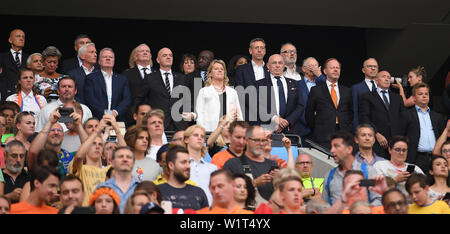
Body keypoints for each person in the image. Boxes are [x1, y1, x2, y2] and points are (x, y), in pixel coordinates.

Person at [322, 131, 380, 206]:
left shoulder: (368, 172)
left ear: (349, 149)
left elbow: (379, 199)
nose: (332, 151)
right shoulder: (329, 176)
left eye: (336, 146)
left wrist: (364, 210)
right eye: (331, 147)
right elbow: (324, 206)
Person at [223, 125, 279, 202]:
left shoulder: (273, 164)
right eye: (257, 140)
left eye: (264, 140)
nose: (261, 144)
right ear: (246, 140)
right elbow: (225, 191)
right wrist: (254, 183)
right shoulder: (233, 164)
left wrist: (279, 180)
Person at [305, 58, 353, 149]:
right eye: (332, 68)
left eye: (337, 68)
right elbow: (309, 113)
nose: (335, 70)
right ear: (325, 71)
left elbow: (351, 112)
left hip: (344, 135)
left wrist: (348, 129)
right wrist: (317, 128)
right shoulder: (316, 90)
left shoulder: (347, 90)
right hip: (323, 136)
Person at [134, 47, 185, 131]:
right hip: (158, 123)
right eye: (164, 55)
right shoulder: (149, 78)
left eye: (170, 55)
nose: (168, 57)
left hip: (179, 125)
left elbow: (187, 100)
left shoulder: (182, 78)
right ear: (158, 60)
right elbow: (139, 99)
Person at [359, 70, 406, 159]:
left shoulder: (397, 98)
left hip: (395, 143)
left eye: (389, 77)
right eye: (384, 77)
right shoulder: (368, 96)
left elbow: (403, 118)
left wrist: (399, 138)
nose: (387, 79)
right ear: (376, 80)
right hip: (376, 141)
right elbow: (365, 117)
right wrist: (376, 133)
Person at [68, 117, 114, 206]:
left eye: (100, 145)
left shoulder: (108, 170)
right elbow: (79, 156)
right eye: (93, 144)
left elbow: (129, 158)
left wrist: (117, 130)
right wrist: (97, 130)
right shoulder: (81, 169)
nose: (97, 147)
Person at [256, 54, 304, 135]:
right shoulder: (259, 84)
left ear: (284, 65)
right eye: (274, 63)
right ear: (268, 66)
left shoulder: (295, 84)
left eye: (280, 63)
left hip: (290, 130)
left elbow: (300, 106)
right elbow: (257, 106)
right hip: (267, 129)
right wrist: (275, 119)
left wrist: (287, 121)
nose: (277, 65)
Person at [404, 82, 445, 172]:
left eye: (426, 94)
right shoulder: (407, 114)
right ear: (414, 98)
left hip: (436, 158)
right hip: (416, 157)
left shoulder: (437, 117)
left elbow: (443, 137)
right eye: (420, 94)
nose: (424, 96)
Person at [84, 48, 132, 122]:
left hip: (118, 119)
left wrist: (115, 112)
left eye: (111, 57)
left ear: (114, 61)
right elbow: (90, 99)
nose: (108, 59)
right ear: (99, 61)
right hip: (98, 120)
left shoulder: (122, 79)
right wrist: (107, 114)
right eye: (105, 57)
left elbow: (127, 99)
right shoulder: (91, 78)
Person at [196, 59, 242, 132]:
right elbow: (199, 114)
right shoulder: (204, 91)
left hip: (228, 132)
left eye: (222, 69)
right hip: (209, 131)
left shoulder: (232, 92)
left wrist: (240, 131)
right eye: (216, 69)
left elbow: (239, 115)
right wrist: (202, 132)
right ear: (210, 74)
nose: (219, 70)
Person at [157, 145, 209, 210]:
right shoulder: (157, 192)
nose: (188, 166)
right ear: (171, 165)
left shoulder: (199, 192)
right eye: (183, 162)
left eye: (189, 162)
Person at [97, 146, 140, 213]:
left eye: (129, 157)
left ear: (133, 163)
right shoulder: (102, 188)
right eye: (120, 156)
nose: (125, 159)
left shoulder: (140, 188)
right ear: (112, 163)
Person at [183, 125, 218, 204]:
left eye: (202, 136)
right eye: (195, 135)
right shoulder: (180, 166)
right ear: (186, 139)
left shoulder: (213, 168)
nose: (199, 138)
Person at [298, 57, 326, 142]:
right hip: (304, 129)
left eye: (315, 66)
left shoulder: (323, 83)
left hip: (322, 129)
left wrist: (320, 76)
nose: (313, 68)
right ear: (303, 69)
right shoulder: (297, 85)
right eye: (311, 66)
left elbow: (333, 89)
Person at [183, 50, 215, 123]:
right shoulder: (190, 77)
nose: (200, 60)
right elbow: (185, 97)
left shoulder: (217, 77)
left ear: (212, 60)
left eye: (204, 58)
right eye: (199, 58)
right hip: (195, 118)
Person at [351, 58, 379, 130]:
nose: (373, 68)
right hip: (364, 129)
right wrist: (356, 129)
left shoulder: (384, 87)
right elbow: (354, 111)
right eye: (369, 66)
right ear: (363, 70)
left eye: (375, 66)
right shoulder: (356, 88)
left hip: (383, 130)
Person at [0, 29, 28, 100]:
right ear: (10, 40)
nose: (21, 38)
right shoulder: (2, 57)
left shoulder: (29, 58)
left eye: (23, 37)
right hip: (5, 96)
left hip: (25, 95)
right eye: (18, 36)